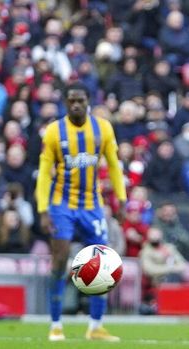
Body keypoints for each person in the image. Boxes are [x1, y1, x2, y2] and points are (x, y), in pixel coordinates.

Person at [35, 82, 127, 342]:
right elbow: (44, 173)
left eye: (80, 100)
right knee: (60, 260)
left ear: (88, 102)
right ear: (65, 103)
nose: (76, 105)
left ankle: (95, 326)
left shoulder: (103, 128)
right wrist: (43, 209)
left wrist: (121, 199)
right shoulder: (54, 131)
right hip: (62, 205)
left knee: (103, 265)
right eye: (71, 101)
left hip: (92, 206)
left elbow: (114, 165)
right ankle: (55, 324)